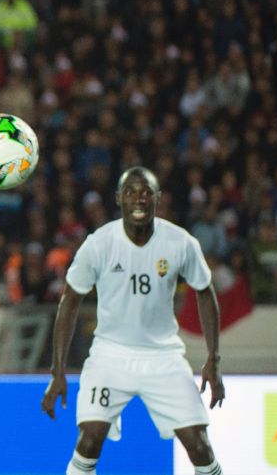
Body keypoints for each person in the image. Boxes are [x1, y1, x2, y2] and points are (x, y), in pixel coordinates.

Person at [41, 167, 226, 475]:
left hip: (163, 357)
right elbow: (70, 300)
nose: (138, 199)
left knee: (200, 445)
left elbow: (205, 293)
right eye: (130, 192)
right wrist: (57, 370)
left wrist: (213, 358)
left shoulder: (180, 242)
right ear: (118, 199)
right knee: (89, 439)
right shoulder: (99, 244)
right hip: (110, 356)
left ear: (157, 198)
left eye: (146, 193)